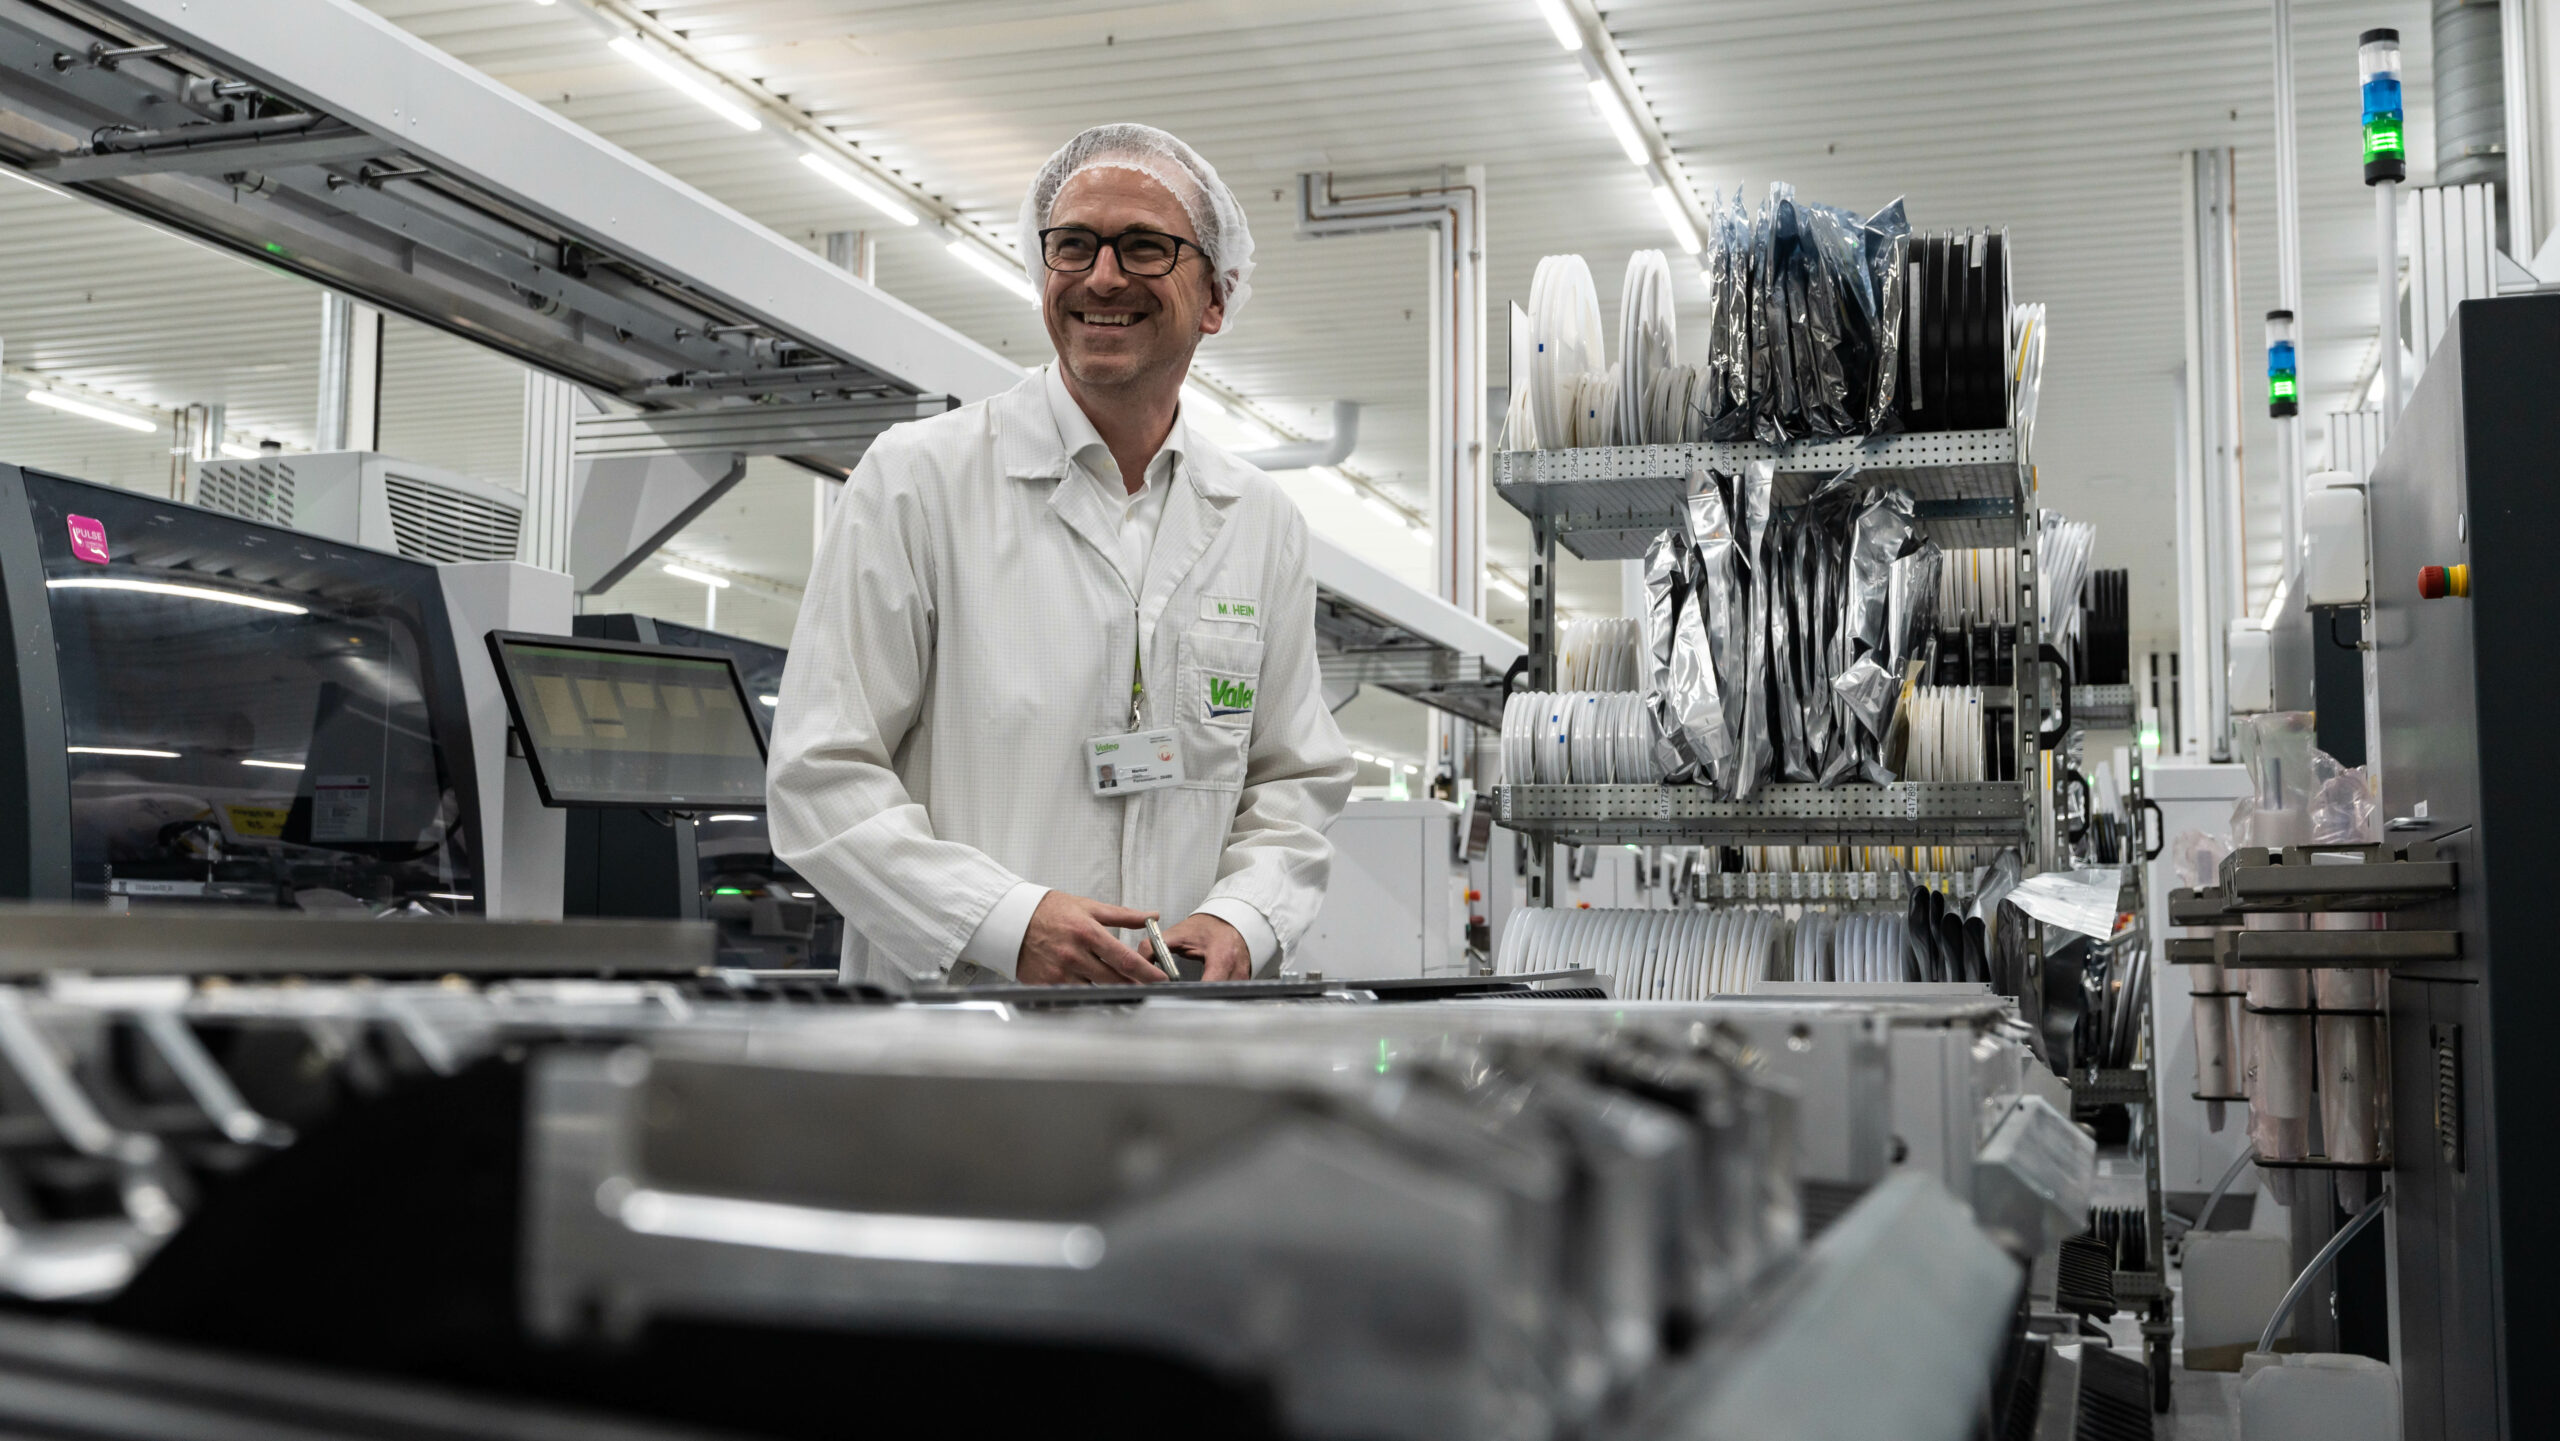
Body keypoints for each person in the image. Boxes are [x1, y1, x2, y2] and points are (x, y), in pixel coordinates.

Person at [768, 123, 1355, 988]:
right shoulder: (917, 482)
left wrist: (1244, 916)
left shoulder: (1259, 522)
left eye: (1145, 247)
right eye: (1073, 245)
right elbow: (820, 775)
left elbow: (1292, 779)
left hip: (1176, 1037)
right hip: (961, 1043)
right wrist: (1005, 922)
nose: (1102, 276)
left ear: (1219, 295)